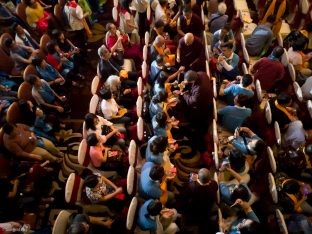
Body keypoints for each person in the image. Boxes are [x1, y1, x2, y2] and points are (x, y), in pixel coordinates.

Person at [183, 168, 218, 233]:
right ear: (210, 178)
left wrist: (192, 181)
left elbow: (185, 197)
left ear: (198, 177)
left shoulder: (192, 186)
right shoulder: (214, 184)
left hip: (196, 209)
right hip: (209, 207)